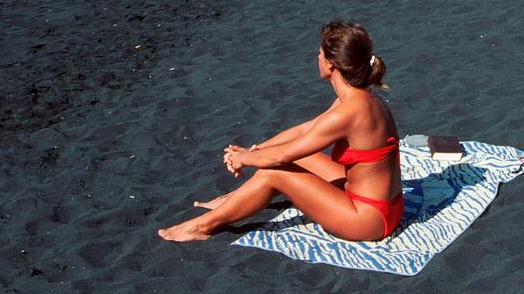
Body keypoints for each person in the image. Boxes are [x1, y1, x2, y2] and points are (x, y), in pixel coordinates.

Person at [157, 20, 401, 243]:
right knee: (301, 156)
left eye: (319, 53)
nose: (316, 57)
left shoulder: (347, 113)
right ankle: (235, 201)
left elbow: (281, 158)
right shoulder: (360, 97)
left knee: (273, 173)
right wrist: (256, 149)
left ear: (330, 64)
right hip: (385, 206)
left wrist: (242, 159)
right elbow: (306, 129)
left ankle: (202, 226)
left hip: (369, 220)